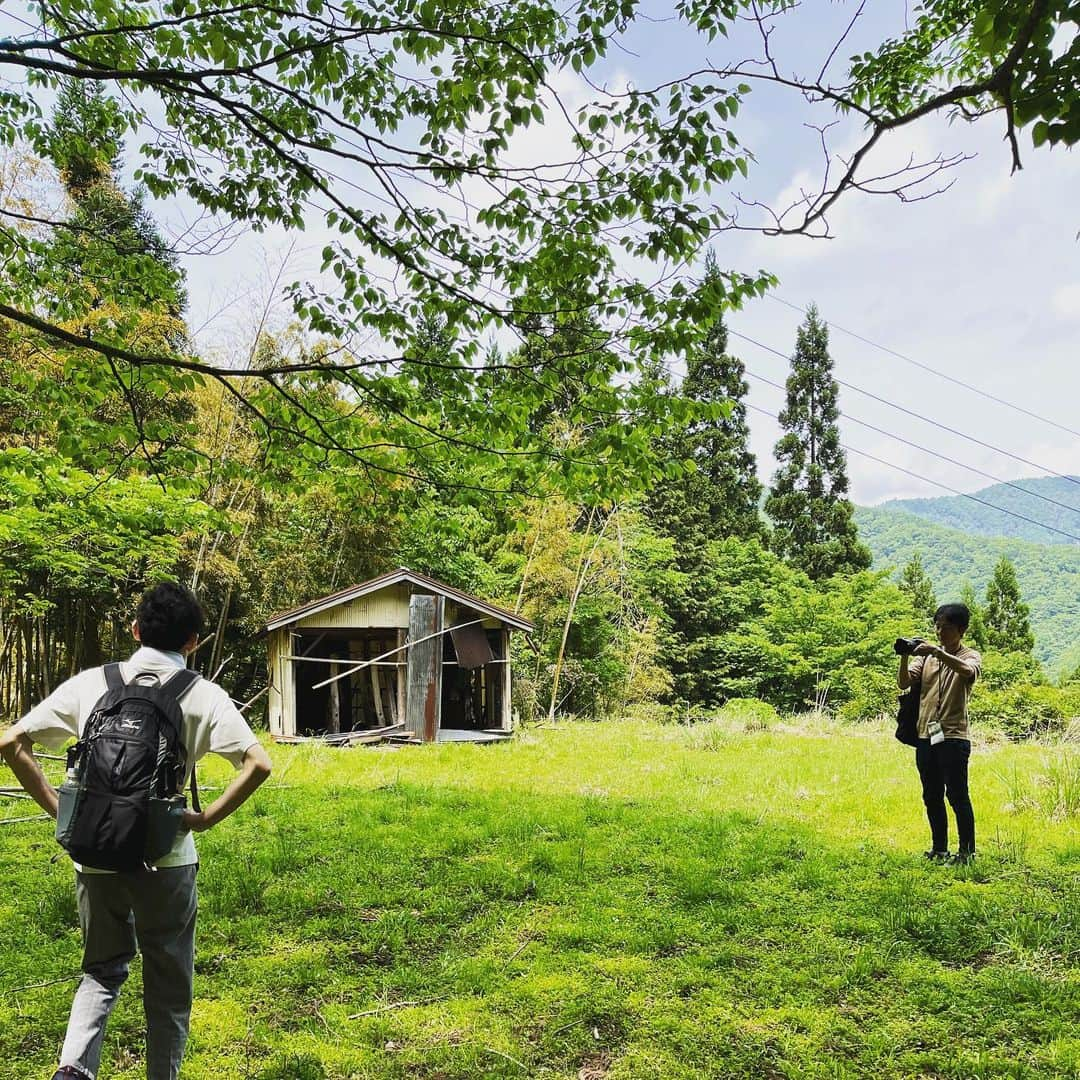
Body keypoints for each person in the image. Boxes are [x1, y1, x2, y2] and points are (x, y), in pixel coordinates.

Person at [0, 581, 272, 1080]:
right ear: (192, 642)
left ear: (134, 629)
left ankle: (73, 1069)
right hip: (166, 859)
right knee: (168, 988)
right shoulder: (201, 694)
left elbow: (12, 742)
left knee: (101, 971)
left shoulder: (92, 683)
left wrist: (61, 811)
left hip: (95, 855)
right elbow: (258, 764)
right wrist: (205, 817)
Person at [897, 602, 982, 863]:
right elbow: (903, 682)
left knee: (957, 795)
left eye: (945, 628)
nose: (940, 632)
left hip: (954, 737)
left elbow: (968, 672)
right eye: (937, 627)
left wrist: (937, 651)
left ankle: (966, 852)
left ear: (961, 629)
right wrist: (905, 655)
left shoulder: (970, 656)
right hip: (926, 735)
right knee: (931, 794)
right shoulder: (925, 659)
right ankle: (939, 848)